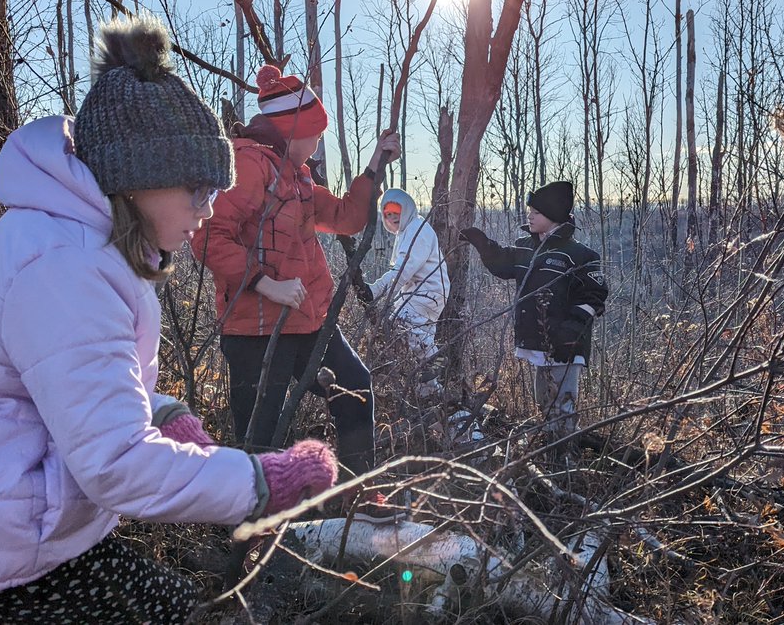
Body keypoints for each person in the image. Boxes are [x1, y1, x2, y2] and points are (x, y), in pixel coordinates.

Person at [0, 13, 338, 624]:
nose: (210, 206)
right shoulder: (65, 268)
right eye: (196, 188)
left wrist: (164, 414)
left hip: (6, 528)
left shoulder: (90, 247)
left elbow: (87, 382)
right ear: (134, 182)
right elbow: (117, 463)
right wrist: (260, 482)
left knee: (173, 606)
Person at [193, 64, 402, 514]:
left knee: (355, 385)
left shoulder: (299, 176)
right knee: (260, 434)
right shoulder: (248, 165)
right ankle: (252, 526)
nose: (316, 143)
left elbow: (347, 217)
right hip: (256, 329)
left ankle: (356, 494)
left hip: (309, 319)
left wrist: (372, 167)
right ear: (292, 130)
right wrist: (266, 283)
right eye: (313, 133)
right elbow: (207, 236)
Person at [458, 181, 608, 454]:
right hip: (540, 342)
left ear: (553, 218)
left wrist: (572, 330)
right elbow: (503, 263)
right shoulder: (525, 247)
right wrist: (482, 243)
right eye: (530, 211)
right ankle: (550, 450)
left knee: (563, 403)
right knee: (543, 400)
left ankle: (565, 460)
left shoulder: (579, 255)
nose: (529, 216)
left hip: (566, 346)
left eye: (536, 212)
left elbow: (594, 296)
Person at [353, 188, 450, 396]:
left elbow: (403, 271)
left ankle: (436, 361)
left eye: (396, 210)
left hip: (428, 292)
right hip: (420, 292)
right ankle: (430, 393)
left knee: (403, 323)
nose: (392, 216)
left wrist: (375, 290)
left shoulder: (416, 229)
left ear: (406, 209)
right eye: (387, 213)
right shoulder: (407, 231)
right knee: (418, 332)